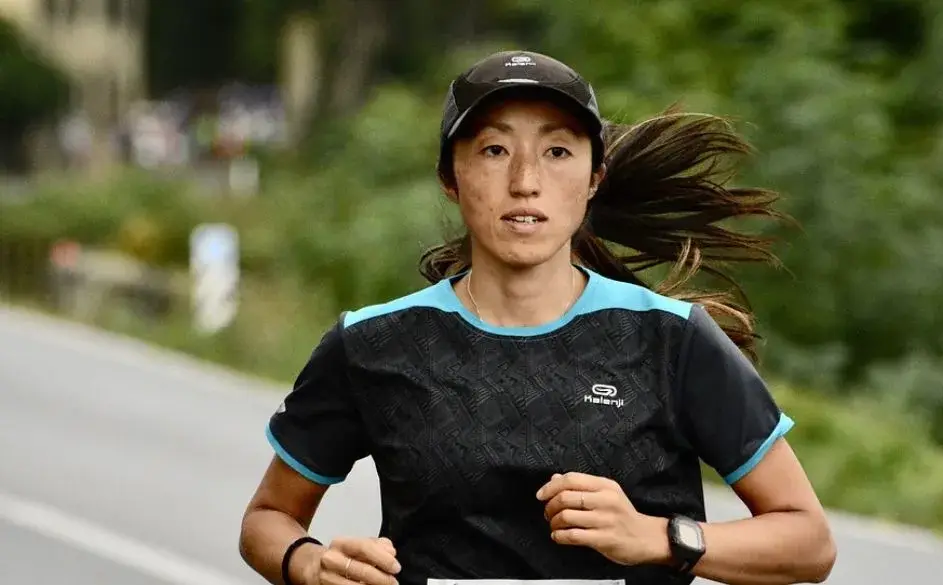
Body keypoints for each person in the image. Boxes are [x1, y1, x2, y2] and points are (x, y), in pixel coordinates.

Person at [238, 50, 837, 585]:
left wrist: (659, 538)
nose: (525, 182)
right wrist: (310, 565)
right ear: (450, 177)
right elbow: (268, 518)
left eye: (557, 152)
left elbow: (809, 543)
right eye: (494, 150)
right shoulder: (373, 343)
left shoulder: (672, 340)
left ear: (594, 178)